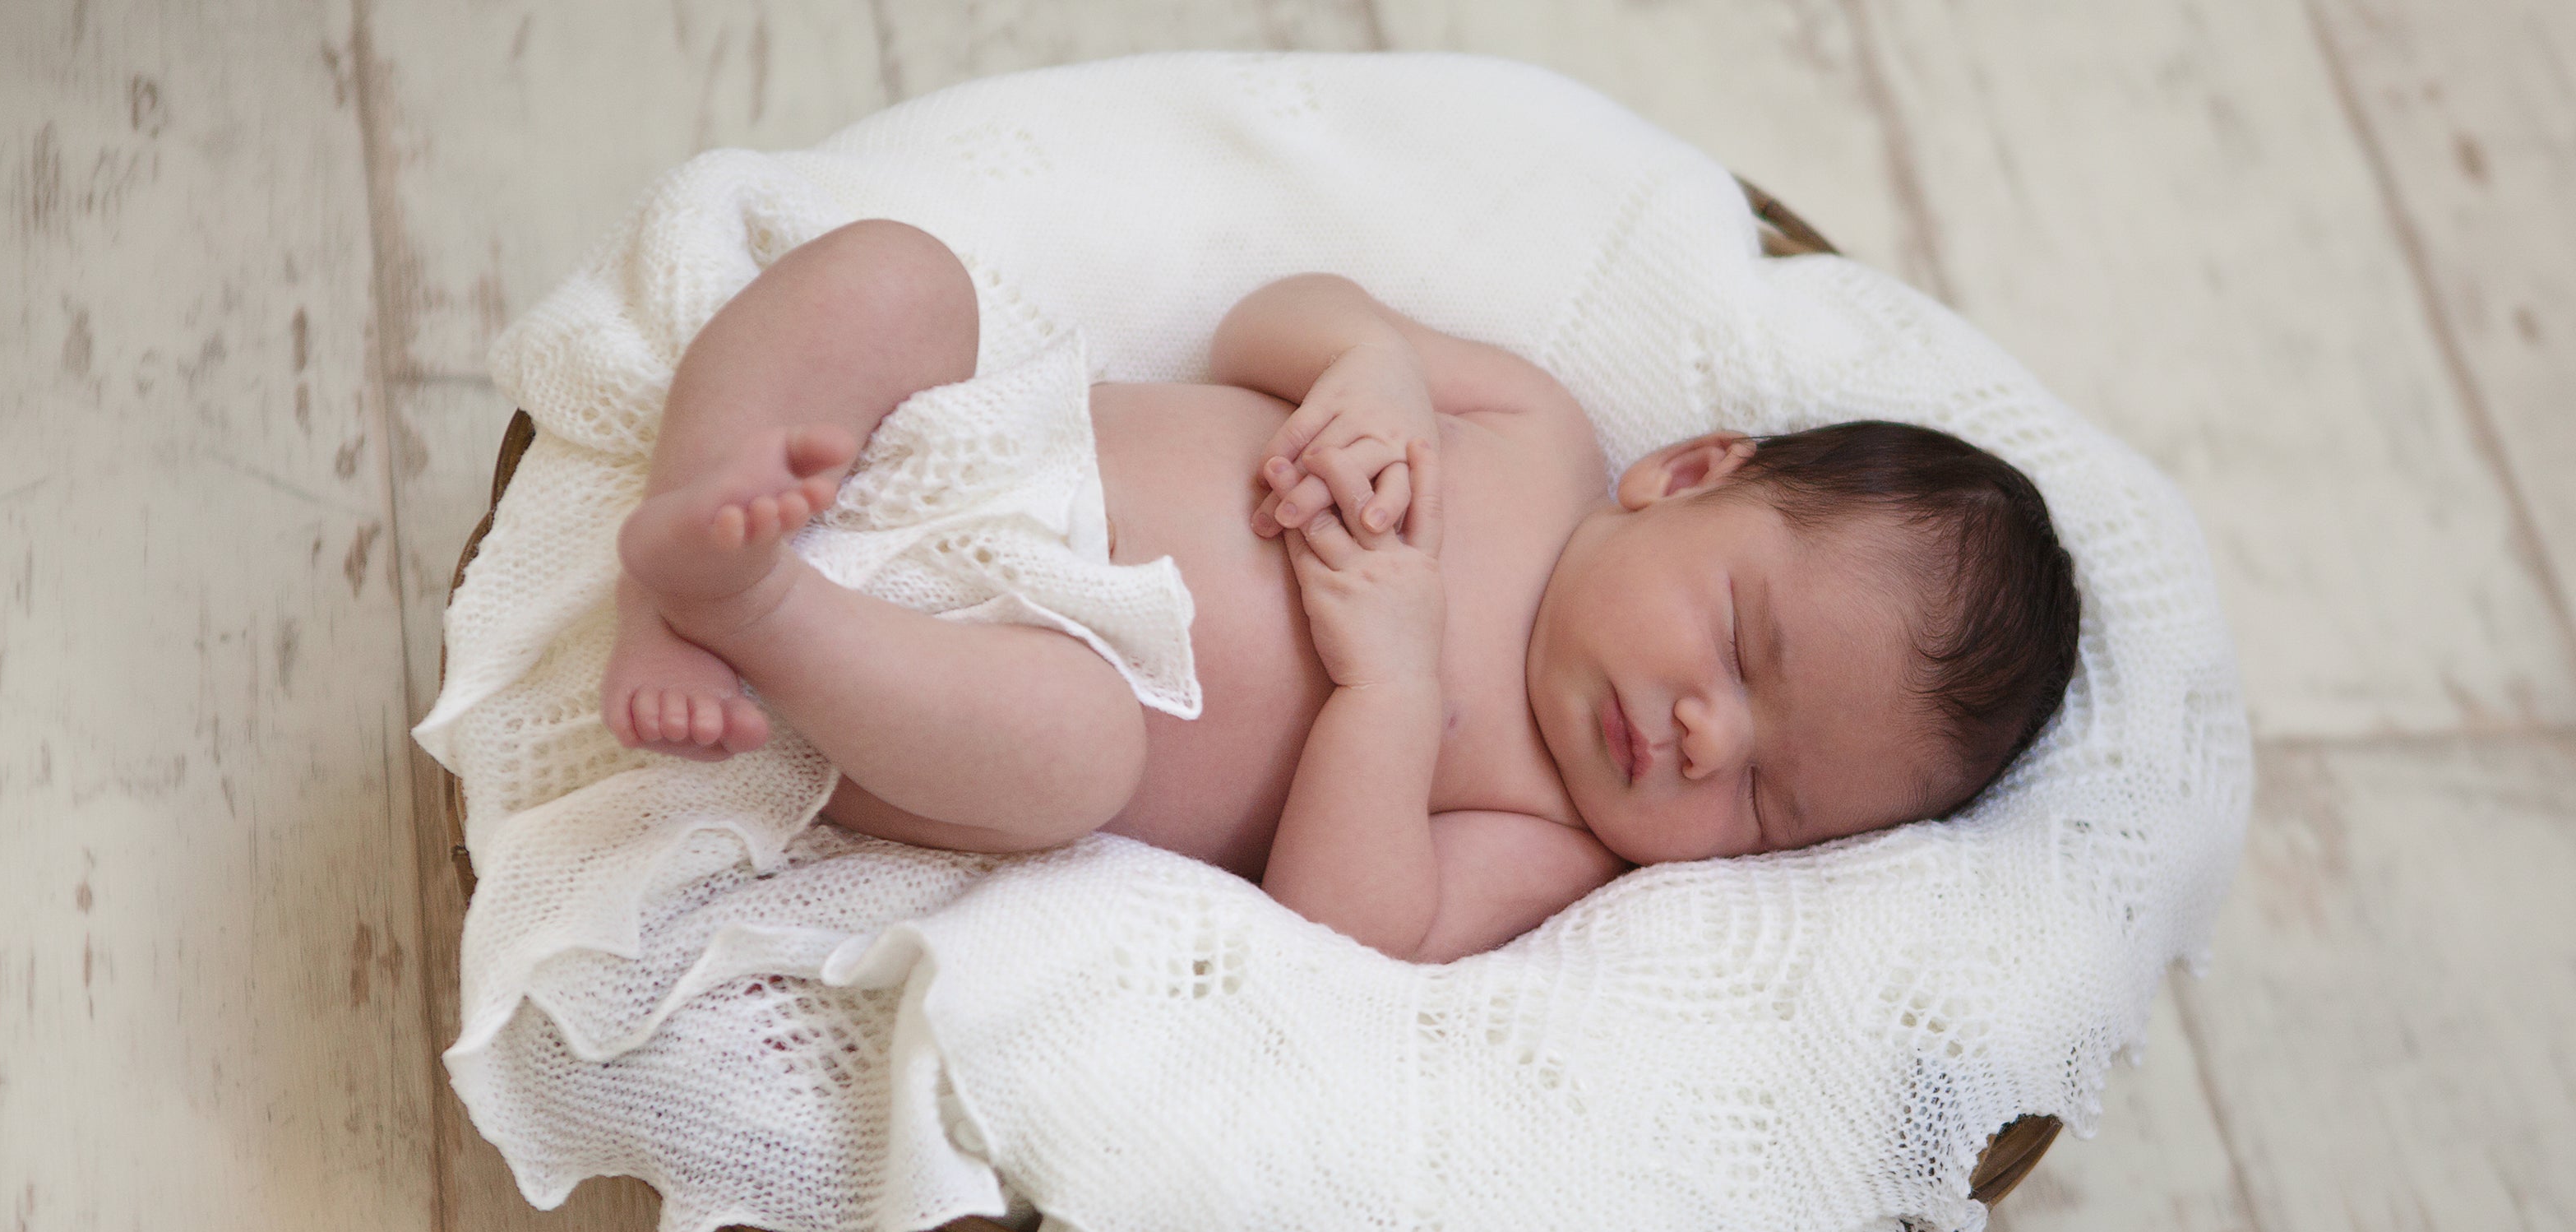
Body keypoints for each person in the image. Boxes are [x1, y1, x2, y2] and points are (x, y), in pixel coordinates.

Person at [603, 220, 2079, 962]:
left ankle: (759, 616)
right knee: (894, 276)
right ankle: (690, 548)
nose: (1710, 737)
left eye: (1771, 800)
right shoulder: (1537, 432)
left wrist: (1395, 689)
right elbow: (1267, 321)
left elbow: (1349, 924)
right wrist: (1364, 364)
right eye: (1746, 647)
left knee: (1080, 749)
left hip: (959, 704)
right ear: (1688, 473)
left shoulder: (1556, 835)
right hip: (955, 448)